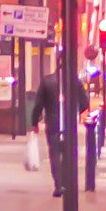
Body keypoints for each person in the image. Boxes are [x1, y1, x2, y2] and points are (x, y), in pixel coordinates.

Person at [27, 68, 86, 198]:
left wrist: (34, 123)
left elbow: (38, 105)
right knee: (68, 153)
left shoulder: (47, 81)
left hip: (53, 122)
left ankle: (58, 185)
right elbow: (84, 102)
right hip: (69, 123)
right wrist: (74, 112)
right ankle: (67, 183)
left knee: (54, 153)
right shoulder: (74, 81)